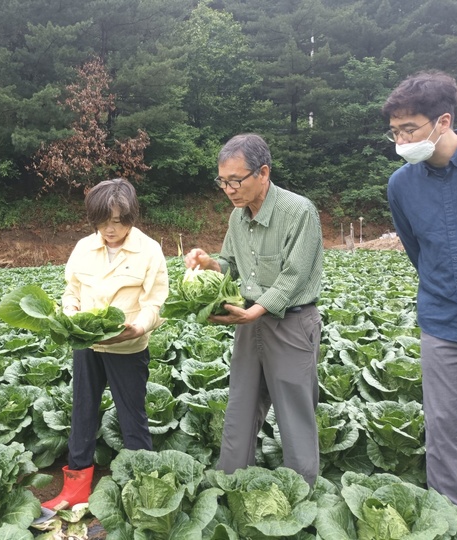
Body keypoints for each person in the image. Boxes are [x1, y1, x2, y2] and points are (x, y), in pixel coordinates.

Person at [184, 133, 323, 486]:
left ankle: (301, 491)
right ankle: (228, 484)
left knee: (294, 414)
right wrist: (210, 263)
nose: (229, 190)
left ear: (263, 172)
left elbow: (294, 276)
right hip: (249, 322)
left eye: (236, 180)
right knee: (240, 407)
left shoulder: (299, 211)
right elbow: (232, 264)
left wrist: (256, 310)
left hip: (291, 323)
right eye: (223, 182)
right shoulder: (237, 217)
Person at [382, 70, 457, 508]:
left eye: (410, 129)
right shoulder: (400, 185)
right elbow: (416, 249)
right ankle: (450, 516)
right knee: (442, 424)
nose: (401, 141)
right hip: (442, 320)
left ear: (443, 122)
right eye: (394, 132)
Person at [42, 178, 169, 510]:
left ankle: (144, 488)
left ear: (132, 216)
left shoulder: (149, 250)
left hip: (127, 347)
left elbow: (155, 304)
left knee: (132, 416)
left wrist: (137, 328)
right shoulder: (85, 247)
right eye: (102, 220)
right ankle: (76, 485)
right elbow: (71, 292)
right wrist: (70, 313)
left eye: (118, 220)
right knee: (82, 410)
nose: (110, 229)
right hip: (87, 346)